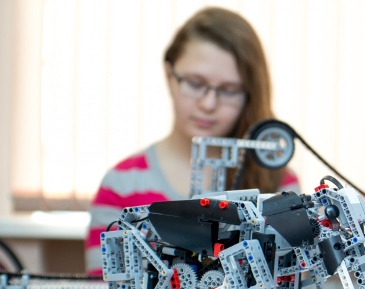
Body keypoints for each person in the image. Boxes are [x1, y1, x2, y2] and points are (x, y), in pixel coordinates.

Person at [85, 7, 298, 275]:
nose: (208, 104)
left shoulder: (280, 185)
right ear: (170, 77)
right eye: (196, 83)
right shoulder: (121, 185)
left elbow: (291, 288)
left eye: (229, 90)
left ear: (250, 95)